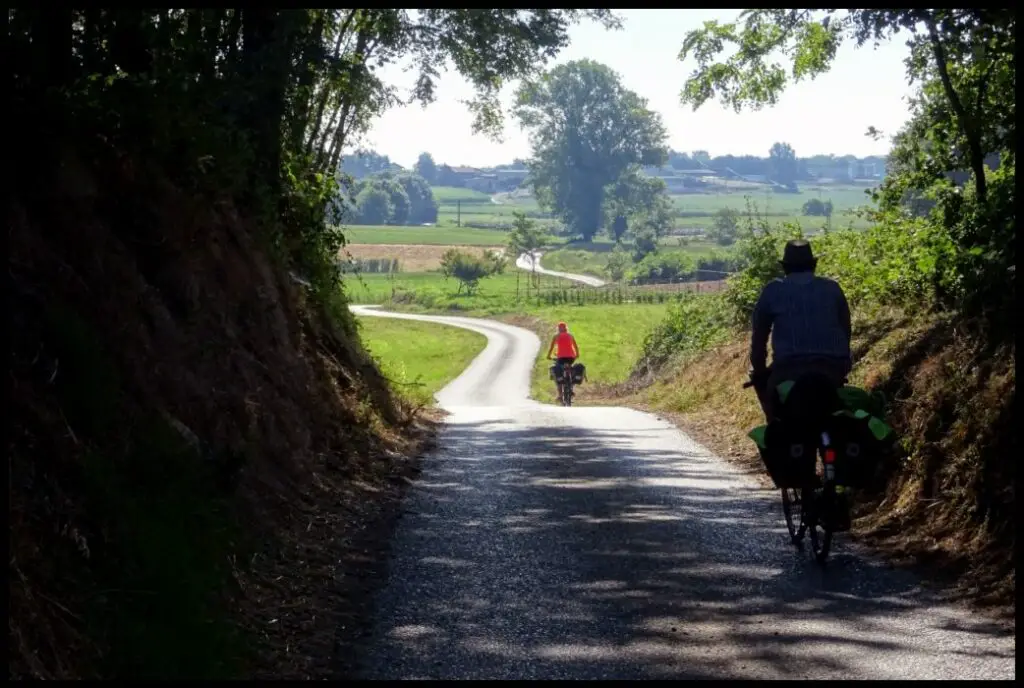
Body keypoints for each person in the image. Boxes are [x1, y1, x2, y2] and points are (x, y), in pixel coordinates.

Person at [750, 239, 852, 422]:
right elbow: (845, 330)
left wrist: (759, 371)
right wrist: (843, 365)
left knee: (775, 410)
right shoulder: (832, 288)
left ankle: (776, 429)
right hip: (830, 369)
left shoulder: (773, 291)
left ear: (786, 267)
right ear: (812, 265)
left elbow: (759, 337)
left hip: (788, 370)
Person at [547, 321, 580, 396]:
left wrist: (548, 356)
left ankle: (560, 395)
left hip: (561, 358)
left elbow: (551, 348)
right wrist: (577, 355)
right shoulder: (571, 335)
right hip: (571, 358)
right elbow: (576, 347)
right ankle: (571, 387)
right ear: (566, 328)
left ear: (558, 329)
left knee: (558, 372)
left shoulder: (556, 336)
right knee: (570, 369)